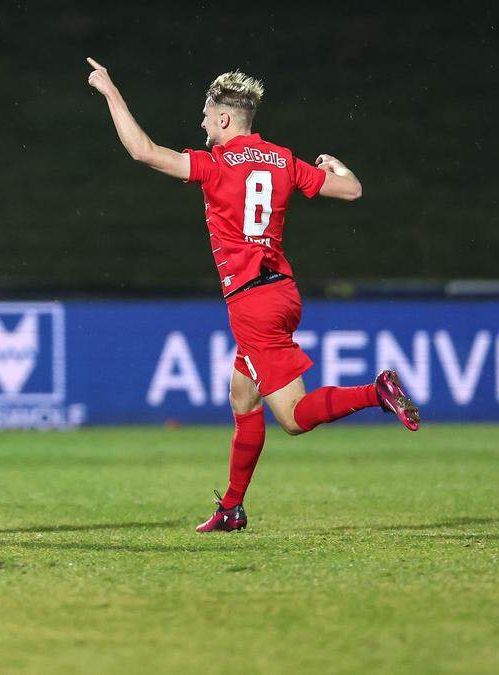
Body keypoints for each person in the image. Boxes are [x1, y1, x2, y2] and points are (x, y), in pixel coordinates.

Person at [85, 58, 420, 533]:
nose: (200, 122)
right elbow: (351, 191)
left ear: (224, 118)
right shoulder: (282, 159)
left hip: (252, 303)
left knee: (295, 418)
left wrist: (110, 92)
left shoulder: (216, 165)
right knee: (243, 397)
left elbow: (143, 151)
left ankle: (375, 391)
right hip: (281, 290)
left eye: (205, 114)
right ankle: (232, 508)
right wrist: (338, 164)